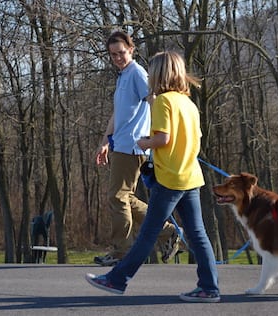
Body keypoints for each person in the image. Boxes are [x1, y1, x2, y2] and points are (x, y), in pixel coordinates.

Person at [86, 51, 220, 303]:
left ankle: (116, 280)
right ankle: (209, 287)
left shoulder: (163, 102)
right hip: (191, 176)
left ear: (159, 74)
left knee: (148, 233)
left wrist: (144, 142)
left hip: (170, 178)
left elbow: (163, 138)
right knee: (198, 234)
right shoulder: (188, 103)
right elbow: (194, 140)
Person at [94, 31, 180, 267]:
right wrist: (105, 141)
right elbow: (118, 113)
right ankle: (167, 231)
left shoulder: (137, 73)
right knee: (123, 197)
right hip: (121, 144)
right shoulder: (122, 76)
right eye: (113, 54)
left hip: (133, 146)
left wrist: (160, 134)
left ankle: (122, 251)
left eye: (121, 53)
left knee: (117, 196)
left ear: (131, 49)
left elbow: (154, 99)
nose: (117, 58)